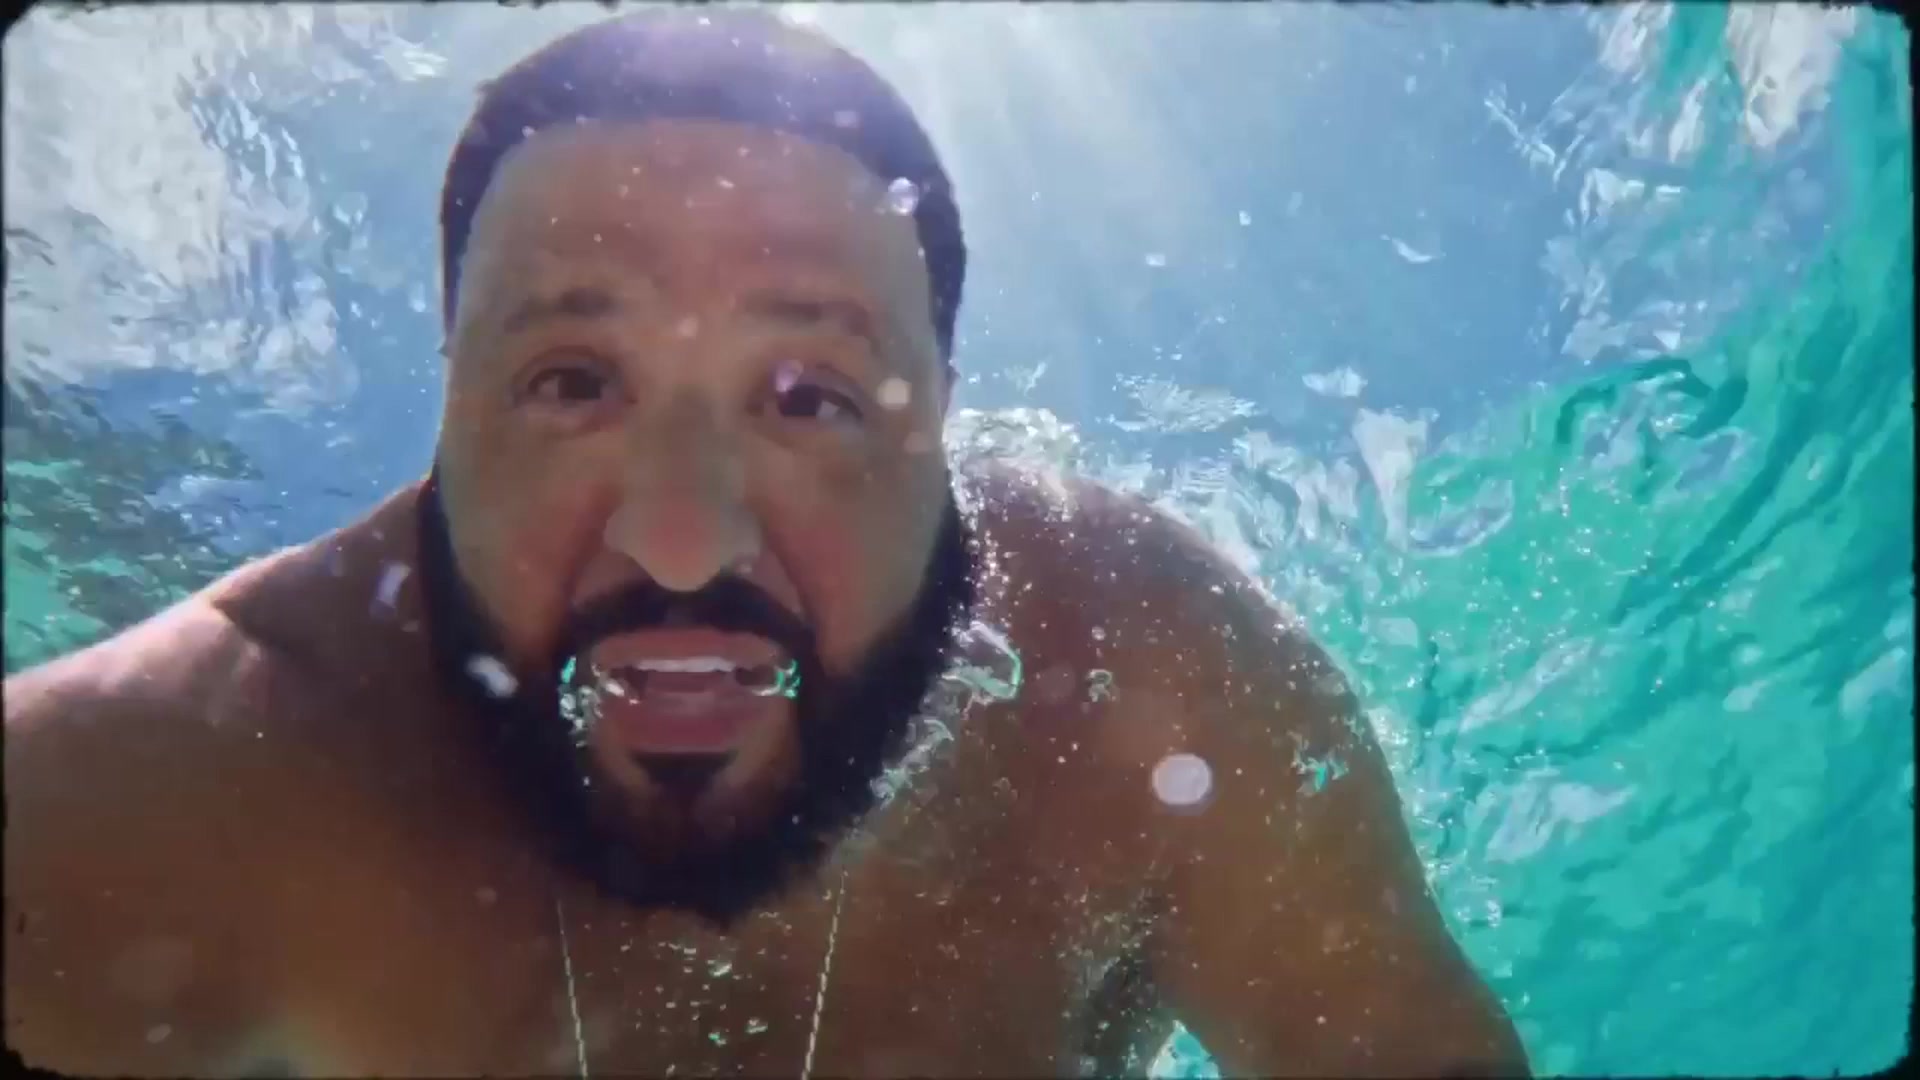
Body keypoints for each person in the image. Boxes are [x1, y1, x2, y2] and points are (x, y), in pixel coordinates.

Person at [4, 11, 1528, 1078]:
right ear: (449, 412)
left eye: (809, 397)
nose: (681, 546)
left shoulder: (1148, 680)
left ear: (942, 430)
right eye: (573, 383)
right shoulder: (154, 792)